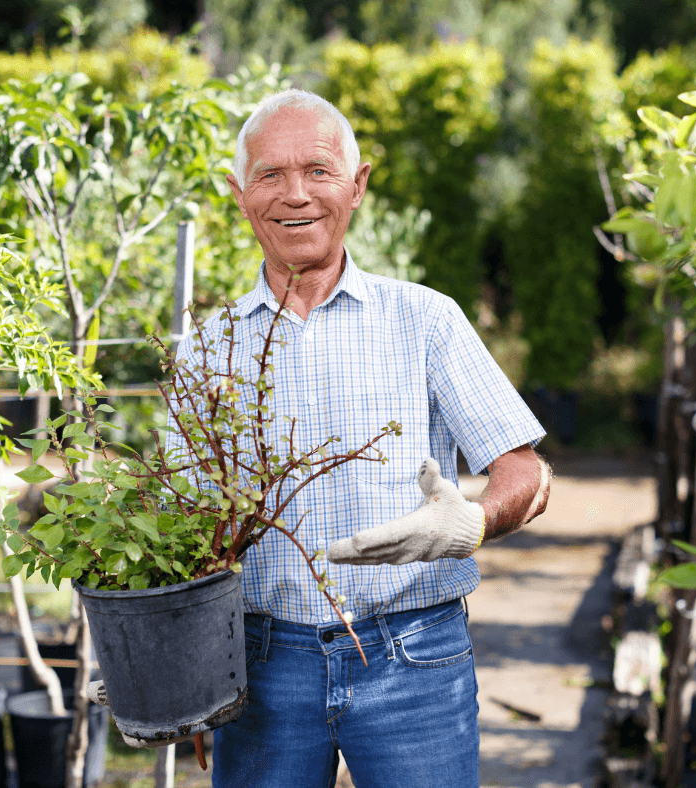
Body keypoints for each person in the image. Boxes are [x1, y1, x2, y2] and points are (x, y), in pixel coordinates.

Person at [175, 88, 551, 788]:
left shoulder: (426, 320)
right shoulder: (206, 351)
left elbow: (528, 474)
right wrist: (172, 665)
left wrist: (469, 522)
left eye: (319, 170)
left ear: (358, 186)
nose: (296, 195)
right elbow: (181, 534)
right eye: (269, 175)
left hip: (414, 655)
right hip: (261, 668)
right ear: (238, 192)